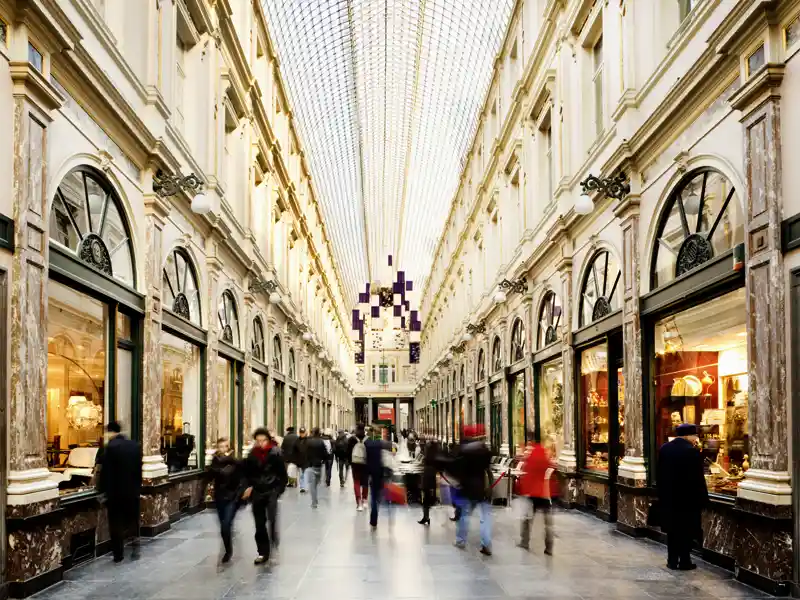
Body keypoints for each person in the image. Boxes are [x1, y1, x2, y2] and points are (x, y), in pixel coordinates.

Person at [658, 423, 708, 570]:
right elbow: (698, 478)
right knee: (686, 531)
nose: (696, 439)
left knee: (672, 531)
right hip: (687, 500)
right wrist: (703, 499)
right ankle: (685, 561)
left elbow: (660, 475)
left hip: (669, 498)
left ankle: (672, 560)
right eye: (695, 436)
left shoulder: (664, 449)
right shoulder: (691, 452)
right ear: (688, 436)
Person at [96, 422, 142, 563]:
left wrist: (101, 491)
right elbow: (138, 470)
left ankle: (118, 554)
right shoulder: (134, 446)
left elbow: (106, 473)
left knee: (115, 523)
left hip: (115, 493)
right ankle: (135, 545)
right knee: (132, 520)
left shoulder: (110, 448)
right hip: (132, 491)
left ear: (110, 432)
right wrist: (138, 488)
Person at [243, 428, 288, 565]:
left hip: (271, 490)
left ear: (268, 440)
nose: (261, 443)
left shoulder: (276, 453)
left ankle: (274, 539)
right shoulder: (252, 455)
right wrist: (249, 487)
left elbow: (282, 474)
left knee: (272, 518)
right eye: (258, 441)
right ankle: (262, 552)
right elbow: (248, 473)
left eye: (263, 440)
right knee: (259, 523)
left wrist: (278, 490)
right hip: (257, 492)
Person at [448, 425, 493, 555]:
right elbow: (487, 465)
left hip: (466, 488)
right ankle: (486, 543)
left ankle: (461, 540)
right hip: (481, 488)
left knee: (464, 516)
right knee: (485, 518)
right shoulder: (483, 450)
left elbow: (455, 467)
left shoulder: (463, 450)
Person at [517, 433, 554, 554]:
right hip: (544, 492)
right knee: (547, 521)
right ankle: (549, 546)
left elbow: (527, 474)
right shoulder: (543, 452)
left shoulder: (530, 454)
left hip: (532, 493)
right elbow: (549, 467)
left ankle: (524, 542)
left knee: (527, 519)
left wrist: (524, 491)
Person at [209, 437, 243, 563]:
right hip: (219, 497)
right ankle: (228, 546)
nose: (223, 449)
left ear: (229, 447)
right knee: (224, 526)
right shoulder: (215, 460)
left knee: (225, 524)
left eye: (225, 446)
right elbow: (211, 474)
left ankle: (228, 551)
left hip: (232, 498)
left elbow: (241, 476)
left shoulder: (234, 460)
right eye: (221, 446)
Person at [365, 427, 391, 529]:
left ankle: (373, 519)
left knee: (373, 496)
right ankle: (377, 509)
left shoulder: (367, 444)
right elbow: (390, 446)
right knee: (378, 495)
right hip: (379, 472)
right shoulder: (380, 443)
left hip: (371, 473)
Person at [418, 439, 440, 526]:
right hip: (430, 477)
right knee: (427, 498)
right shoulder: (434, 454)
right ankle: (426, 517)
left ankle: (426, 517)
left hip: (427, 477)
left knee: (426, 499)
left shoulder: (429, 456)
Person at [306, 427, 329, 508]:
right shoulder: (321, 442)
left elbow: (305, 453)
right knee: (315, 483)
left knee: (312, 485)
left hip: (310, 465)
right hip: (318, 465)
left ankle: (314, 502)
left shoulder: (308, 442)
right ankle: (315, 500)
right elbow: (325, 453)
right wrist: (323, 460)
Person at [348, 424, 369, 511]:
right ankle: (364, 500)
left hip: (355, 463)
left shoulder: (352, 439)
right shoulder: (368, 439)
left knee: (356, 482)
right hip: (365, 463)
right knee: (365, 482)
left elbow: (348, 451)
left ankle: (359, 502)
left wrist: (350, 463)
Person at [296, 427, 310, 493]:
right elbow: (294, 450)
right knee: (301, 474)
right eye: (301, 433)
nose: (302, 434)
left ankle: (305, 487)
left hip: (306, 460)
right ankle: (302, 487)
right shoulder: (297, 440)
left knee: (305, 474)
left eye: (303, 433)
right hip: (299, 460)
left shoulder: (308, 440)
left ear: (305, 433)